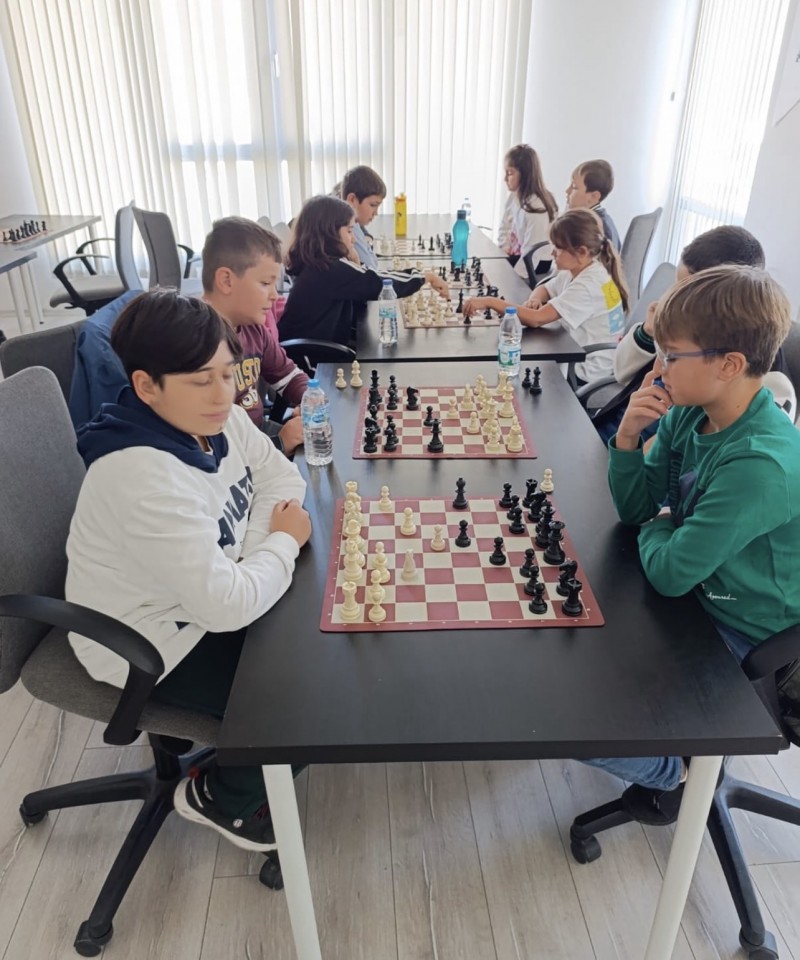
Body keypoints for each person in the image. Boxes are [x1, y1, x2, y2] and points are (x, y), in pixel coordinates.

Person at [66, 289, 311, 851]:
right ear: (146, 385)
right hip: (151, 642)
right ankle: (221, 798)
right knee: (312, 705)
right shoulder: (142, 478)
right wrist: (278, 542)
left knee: (319, 641)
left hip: (201, 598)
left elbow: (281, 479)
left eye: (227, 374)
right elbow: (225, 606)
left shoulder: (220, 419)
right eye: (201, 380)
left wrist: (251, 557)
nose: (223, 394)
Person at [584, 265, 800, 824]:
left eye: (672, 355)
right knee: (568, 654)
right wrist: (627, 438)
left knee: (570, 717)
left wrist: (663, 523)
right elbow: (637, 511)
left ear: (728, 365)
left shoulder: (760, 463)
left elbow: (670, 572)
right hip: (695, 590)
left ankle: (674, 771)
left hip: (743, 628)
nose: (658, 369)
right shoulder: (689, 412)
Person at [593, 226, 796, 444]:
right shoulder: (685, 327)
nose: (673, 298)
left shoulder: (763, 388)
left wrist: (631, 444)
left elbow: (670, 452)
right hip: (620, 429)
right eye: (676, 286)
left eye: (687, 291)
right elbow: (621, 374)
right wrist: (649, 333)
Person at [464, 209, 628, 385]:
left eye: (558, 248)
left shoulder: (588, 286)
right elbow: (546, 288)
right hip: (576, 351)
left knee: (511, 368)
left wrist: (490, 301)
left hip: (586, 370)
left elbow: (536, 319)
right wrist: (534, 299)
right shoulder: (581, 269)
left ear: (581, 252)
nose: (552, 254)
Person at [278, 195, 450, 347]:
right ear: (329, 232)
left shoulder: (317, 262)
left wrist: (354, 262)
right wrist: (423, 277)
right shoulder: (330, 269)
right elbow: (378, 282)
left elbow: (362, 283)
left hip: (310, 349)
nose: (353, 239)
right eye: (349, 231)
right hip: (313, 360)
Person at [201, 217, 307, 456]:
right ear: (226, 280)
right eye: (266, 283)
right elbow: (209, 448)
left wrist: (308, 399)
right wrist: (279, 443)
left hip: (258, 434)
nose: (275, 296)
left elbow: (287, 375)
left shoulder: (252, 328)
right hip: (230, 454)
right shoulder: (198, 344)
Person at [497, 144, 558, 280]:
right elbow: (504, 226)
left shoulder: (537, 207)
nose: (505, 179)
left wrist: (513, 278)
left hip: (536, 263)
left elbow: (533, 252)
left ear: (525, 175)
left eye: (510, 173)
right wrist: (504, 247)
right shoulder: (514, 196)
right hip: (519, 254)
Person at [565, 159, 621, 250]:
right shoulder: (604, 219)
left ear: (594, 196)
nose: (567, 191)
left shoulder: (589, 228)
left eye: (574, 187)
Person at [341, 164, 386, 269]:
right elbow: (371, 268)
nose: (376, 213)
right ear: (352, 200)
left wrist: (367, 238)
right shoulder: (349, 229)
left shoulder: (355, 224)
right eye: (373, 205)